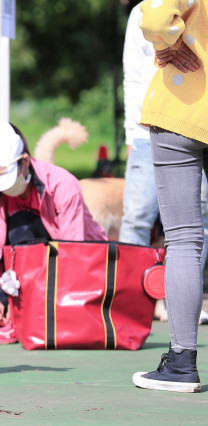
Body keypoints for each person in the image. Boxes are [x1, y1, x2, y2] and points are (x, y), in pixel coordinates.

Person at [0, 121, 107, 344]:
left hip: (71, 278)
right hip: (19, 281)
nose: (3, 190)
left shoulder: (63, 185)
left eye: (5, 179)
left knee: (22, 226)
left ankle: (21, 320)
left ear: (25, 161)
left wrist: (24, 306)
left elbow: (72, 255)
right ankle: (19, 317)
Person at [131, 0, 207, 393]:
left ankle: (181, 364)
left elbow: (158, 15)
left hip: (182, 108)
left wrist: (170, 41)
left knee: (184, 239)